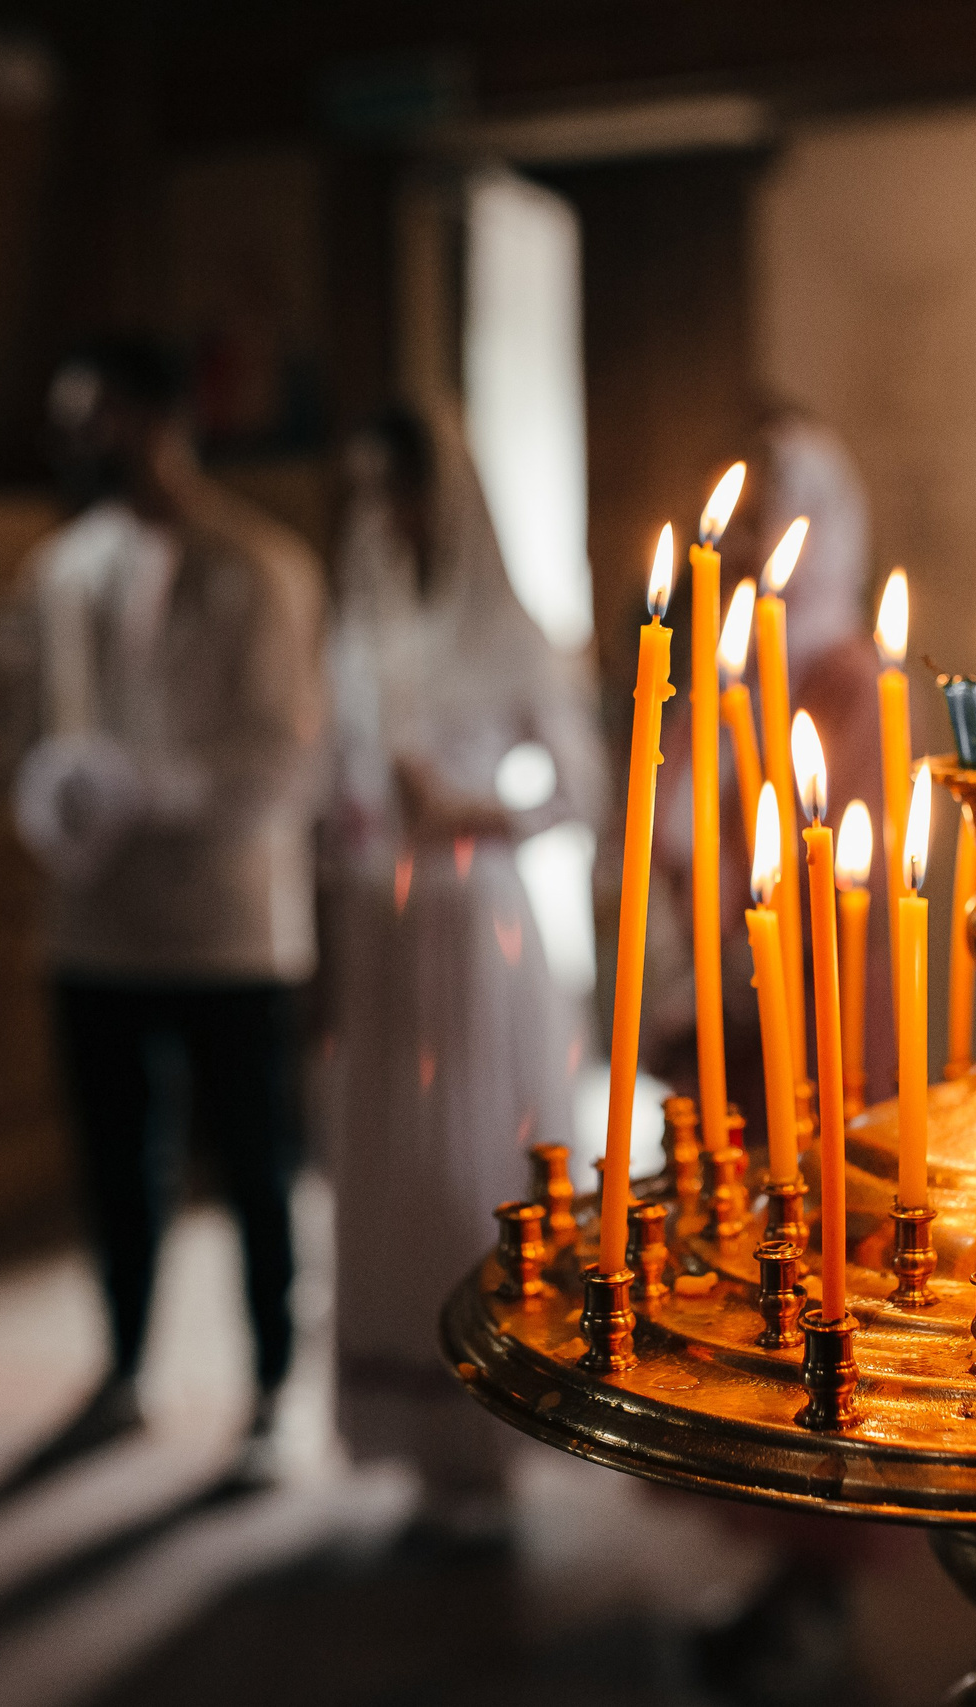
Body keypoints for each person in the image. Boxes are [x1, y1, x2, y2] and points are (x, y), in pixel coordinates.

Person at [16, 339, 325, 1466]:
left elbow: (285, 753)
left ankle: (272, 1387)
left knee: (252, 1164)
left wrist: (149, 789)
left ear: (157, 418)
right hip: (96, 916)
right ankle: (125, 1364)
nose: (74, 441)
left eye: (91, 414)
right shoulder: (61, 569)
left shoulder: (261, 565)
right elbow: (41, 720)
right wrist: (51, 791)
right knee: (114, 1159)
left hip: (228, 920)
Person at [323, 402, 603, 1531]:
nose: (389, 515)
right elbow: (332, 770)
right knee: (395, 1161)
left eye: (403, 488)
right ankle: (416, 1430)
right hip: (388, 927)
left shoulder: (508, 631)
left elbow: (577, 788)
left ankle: (491, 1424)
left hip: (479, 926)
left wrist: (473, 809)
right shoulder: (368, 621)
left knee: (474, 1163)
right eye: (372, 493)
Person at [648, 408, 894, 1144]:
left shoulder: (851, 678)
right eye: (742, 524)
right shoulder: (729, 666)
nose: (747, 548)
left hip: (819, 1008)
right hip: (720, 1011)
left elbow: (849, 863)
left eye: (767, 521)